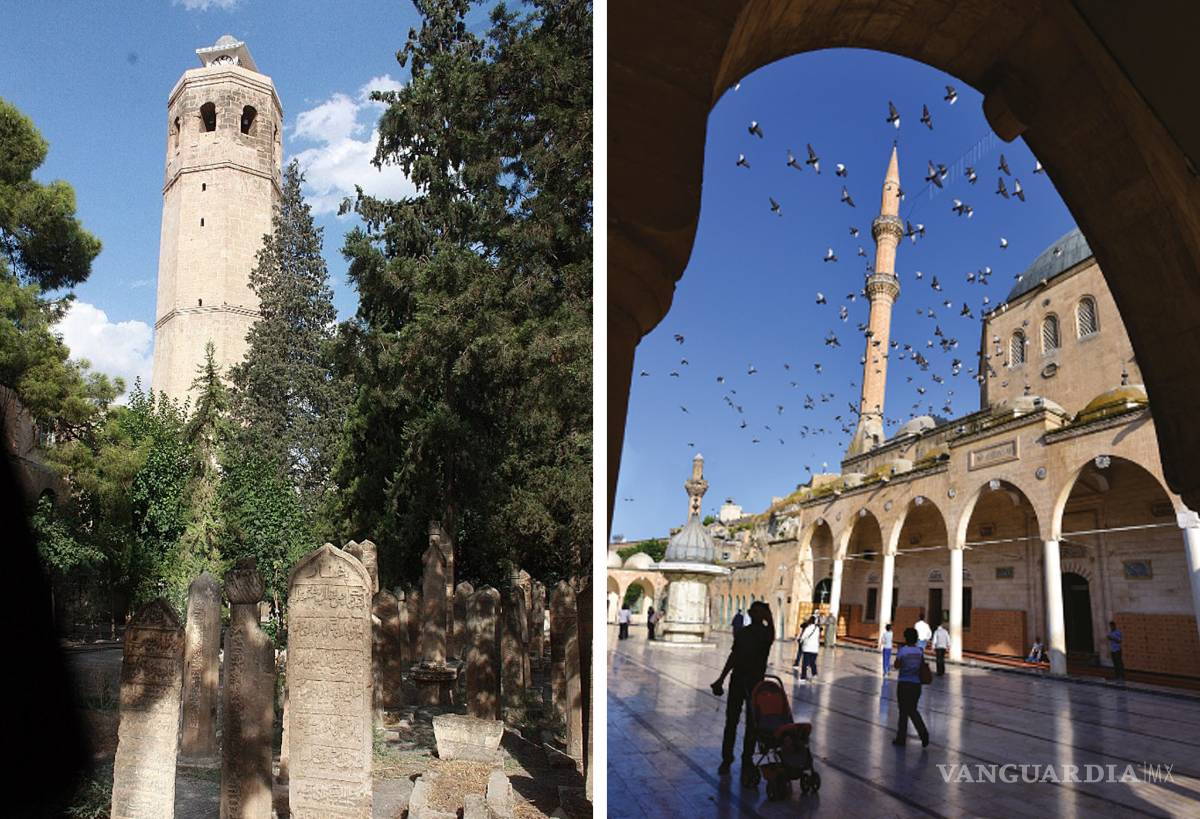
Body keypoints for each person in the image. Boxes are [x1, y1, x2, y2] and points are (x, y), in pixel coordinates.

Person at [711, 601, 775, 784]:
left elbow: (771, 635)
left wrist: (768, 617)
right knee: (732, 720)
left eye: (758, 612)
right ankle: (728, 758)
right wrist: (721, 678)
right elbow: (734, 656)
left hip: (755, 684)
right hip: (739, 681)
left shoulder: (764, 634)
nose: (755, 614)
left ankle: (746, 758)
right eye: (753, 611)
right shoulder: (745, 633)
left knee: (752, 724)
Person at [892, 627, 930, 747]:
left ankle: (901, 738)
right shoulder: (919, 651)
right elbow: (922, 665)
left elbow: (897, 665)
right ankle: (923, 733)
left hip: (904, 683)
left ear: (906, 638)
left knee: (903, 711)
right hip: (916, 684)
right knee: (913, 710)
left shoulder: (903, 651)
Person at [792, 616, 821, 682]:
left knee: (805, 663)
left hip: (808, 648)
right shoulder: (817, 629)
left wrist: (800, 640)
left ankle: (803, 677)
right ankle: (814, 674)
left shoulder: (808, 628)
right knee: (812, 662)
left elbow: (803, 636)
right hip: (815, 649)